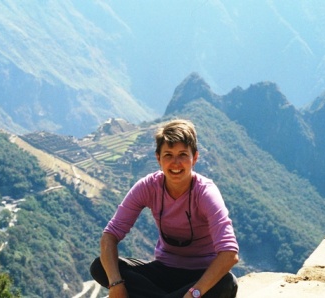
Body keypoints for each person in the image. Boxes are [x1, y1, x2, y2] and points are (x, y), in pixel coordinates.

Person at [90, 119, 239, 298]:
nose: (175, 163)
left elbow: (229, 253)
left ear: (195, 158)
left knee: (227, 283)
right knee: (100, 267)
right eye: (168, 155)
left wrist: (194, 293)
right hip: (163, 270)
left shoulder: (205, 193)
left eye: (183, 154)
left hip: (199, 275)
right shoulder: (148, 187)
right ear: (158, 158)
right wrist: (115, 283)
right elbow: (110, 236)